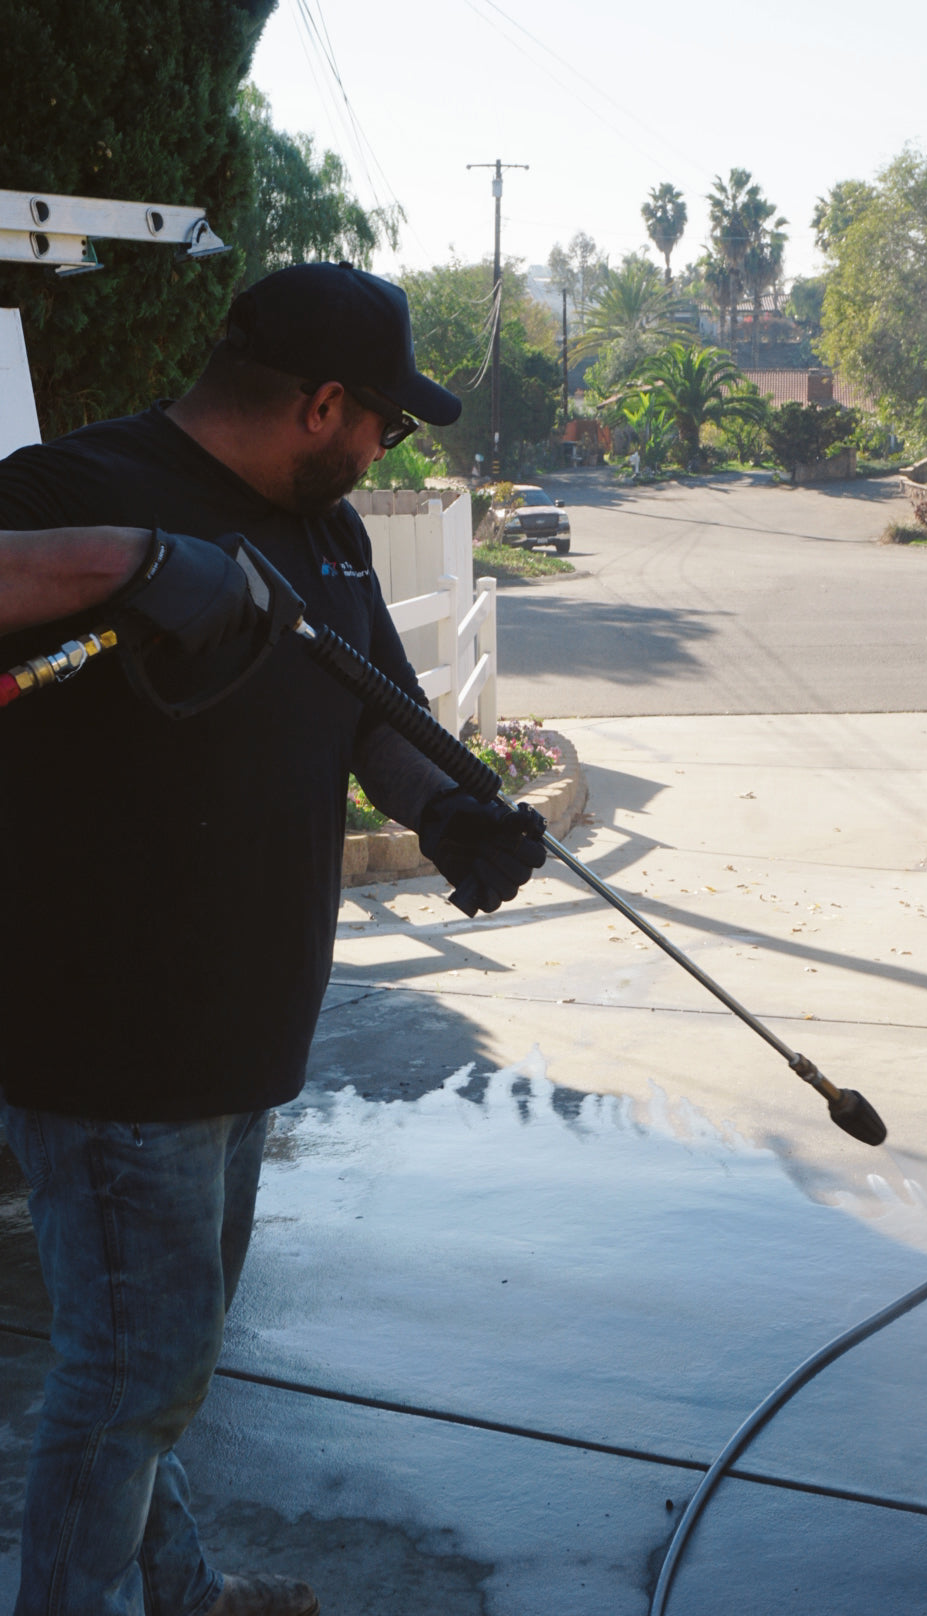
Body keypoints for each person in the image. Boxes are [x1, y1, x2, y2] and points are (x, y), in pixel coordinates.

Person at [0, 262, 546, 1616]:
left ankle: (177, 1589)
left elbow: (371, 712)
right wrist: (134, 563)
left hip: (245, 1024)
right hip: (108, 1033)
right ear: (321, 404)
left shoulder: (329, 533)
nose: (384, 450)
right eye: (384, 425)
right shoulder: (69, 488)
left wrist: (449, 812)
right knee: (131, 1372)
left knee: (161, 1362)